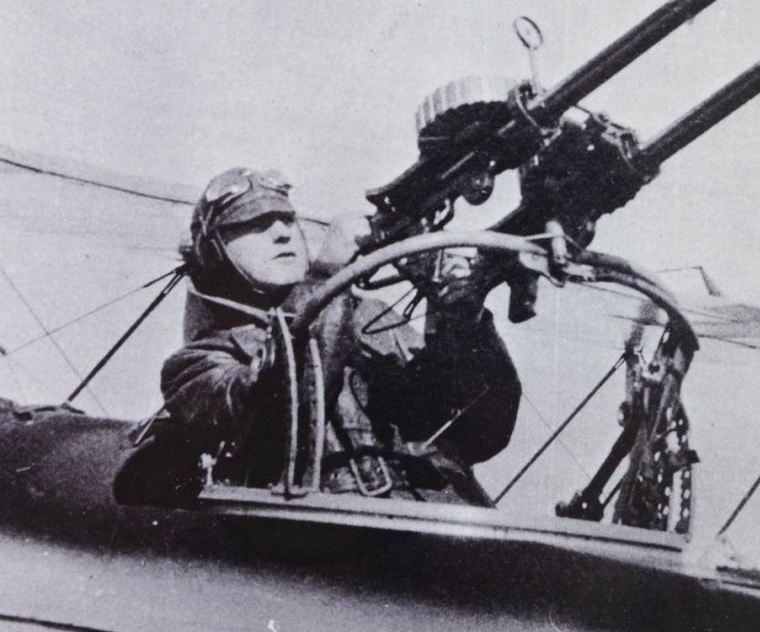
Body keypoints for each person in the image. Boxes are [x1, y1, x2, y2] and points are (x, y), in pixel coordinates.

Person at [118, 167, 520, 507]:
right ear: (213, 251)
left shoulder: (369, 318)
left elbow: (481, 433)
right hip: (326, 544)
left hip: (443, 520)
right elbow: (284, 418)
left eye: (287, 220)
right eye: (253, 225)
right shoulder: (196, 365)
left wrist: (456, 315)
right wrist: (328, 277)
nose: (282, 233)